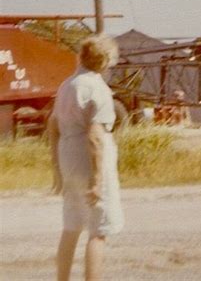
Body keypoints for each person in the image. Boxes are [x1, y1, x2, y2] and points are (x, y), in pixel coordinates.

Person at [48, 33, 124, 281]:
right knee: (97, 231)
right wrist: (96, 179)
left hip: (68, 155)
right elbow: (94, 137)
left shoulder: (66, 86)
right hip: (87, 159)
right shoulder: (98, 89)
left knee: (71, 226)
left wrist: (57, 170)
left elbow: (53, 126)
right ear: (106, 62)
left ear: (81, 56)